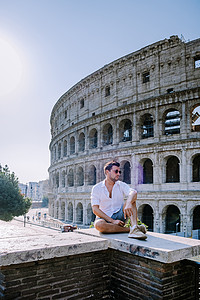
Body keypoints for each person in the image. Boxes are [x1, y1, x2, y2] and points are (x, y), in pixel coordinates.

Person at [91, 160, 147, 240]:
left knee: (132, 200)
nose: (118, 174)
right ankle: (131, 230)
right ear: (107, 172)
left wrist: (128, 203)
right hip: (104, 217)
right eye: (116, 171)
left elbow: (133, 192)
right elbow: (95, 209)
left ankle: (134, 227)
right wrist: (112, 221)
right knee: (98, 225)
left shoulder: (121, 185)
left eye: (119, 172)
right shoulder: (97, 188)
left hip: (120, 216)